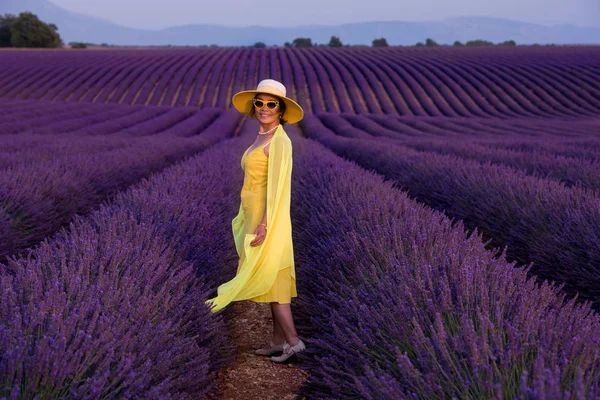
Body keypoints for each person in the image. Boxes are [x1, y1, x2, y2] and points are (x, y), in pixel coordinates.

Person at [205, 79, 306, 363]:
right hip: (254, 217)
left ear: (281, 110)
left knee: (273, 281)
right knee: (274, 280)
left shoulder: (279, 141)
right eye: (259, 103)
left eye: (271, 104)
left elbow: (276, 188)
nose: (264, 108)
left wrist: (265, 224)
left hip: (268, 220)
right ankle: (277, 342)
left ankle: (294, 342)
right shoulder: (262, 136)